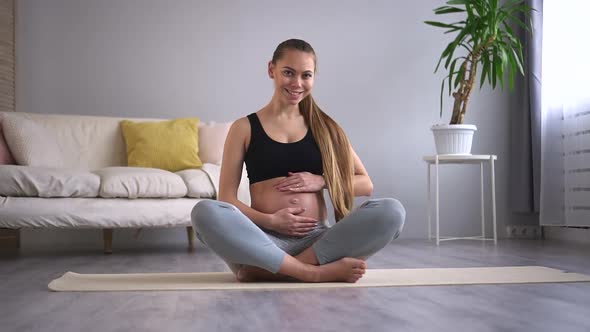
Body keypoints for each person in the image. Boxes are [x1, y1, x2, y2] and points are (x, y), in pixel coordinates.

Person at [191, 39, 405, 283]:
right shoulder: (244, 128)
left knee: (392, 211)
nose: (297, 83)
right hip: (261, 239)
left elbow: (365, 184)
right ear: (272, 69)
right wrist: (271, 221)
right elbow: (226, 199)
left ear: (314, 77)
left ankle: (274, 270)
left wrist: (321, 181)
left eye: (306, 75)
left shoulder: (326, 128)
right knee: (204, 212)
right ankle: (312, 273)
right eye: (288, 73)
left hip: (318, 242)